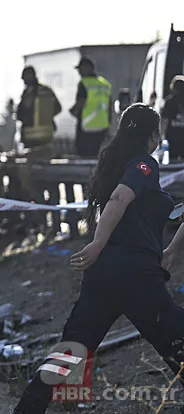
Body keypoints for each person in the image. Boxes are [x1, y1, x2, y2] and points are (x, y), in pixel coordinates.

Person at [13, 104, 184, 412]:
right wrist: (96, 243)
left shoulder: (114, 165)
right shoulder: (144, 164)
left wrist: (169, 250)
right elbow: (120, 198)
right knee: (176, 342)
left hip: (103, 276)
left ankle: (28, 410)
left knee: (70, 352)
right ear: (151, 135)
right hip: (136, 276)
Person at [16, 66, 62, 230]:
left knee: (35, 184)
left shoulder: (27, 94)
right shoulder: (47, 91)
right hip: (47, 141)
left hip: (32, 145)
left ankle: (42, 222)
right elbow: (58, 108)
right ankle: (52, 223)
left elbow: (20, 115)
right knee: (50, 183)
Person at [70, 57, 112, 157]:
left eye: (80, 69)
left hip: (87, 128)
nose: (79, 72)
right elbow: (109, 105)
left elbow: (81, 101)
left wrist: (73, 110)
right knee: (97, 156)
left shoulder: (84, 83)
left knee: (84, 156)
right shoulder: (105, 83)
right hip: (102, 127)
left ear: (87, 68)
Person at [161, 75, 184, 161]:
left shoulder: (170, 102)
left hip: (173, 136)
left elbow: (165, 121)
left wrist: (161, 136)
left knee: (173, 160)